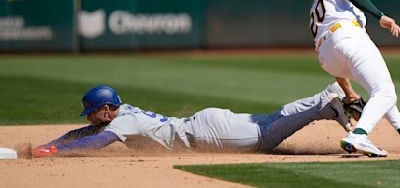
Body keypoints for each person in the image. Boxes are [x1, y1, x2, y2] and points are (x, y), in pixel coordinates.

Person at [32, 83, 354, 157]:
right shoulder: (123, 112)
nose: (90, 118)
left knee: (266, 138)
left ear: (105, 110)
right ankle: (323, 99)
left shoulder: (121, 124)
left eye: (91, 112)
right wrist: (52, 144)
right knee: (268, 122)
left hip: (206, 133)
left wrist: (59, 152)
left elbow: (97, 139)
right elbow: (85, 131)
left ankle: (325, 105)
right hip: (206, 123)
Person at [305, 0, 400, 157]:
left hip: (328, 59)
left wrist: (349, 93)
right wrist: (379, 16)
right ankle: (358, 135)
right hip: (348, 37)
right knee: (385, 92)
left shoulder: (315, 9)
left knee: (380, 90)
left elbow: (332, 48)